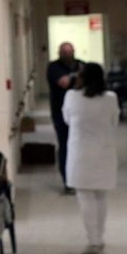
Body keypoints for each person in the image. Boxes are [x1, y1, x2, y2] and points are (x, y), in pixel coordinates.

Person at [62, 63, 119, 254]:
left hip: (81, 154)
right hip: (105, 152)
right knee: (101, 196)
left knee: (85, 197)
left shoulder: (71, 96)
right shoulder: (111, 98)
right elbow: (114, 122)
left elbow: (67, 119)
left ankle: (93, 240)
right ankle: (100, 238)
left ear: (81, 78)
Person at [46, 42, 84, 194]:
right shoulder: (54, 67)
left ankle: (80, 178)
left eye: (70, 52)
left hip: (81, 112)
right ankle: (68, 181)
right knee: (65, 146)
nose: (68, 55)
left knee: (81, 147)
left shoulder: (81, 64)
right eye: (65, 52)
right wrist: (78, 76)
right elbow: (64, 83)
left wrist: (75, 77)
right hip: (60, 113)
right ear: (60, 53)